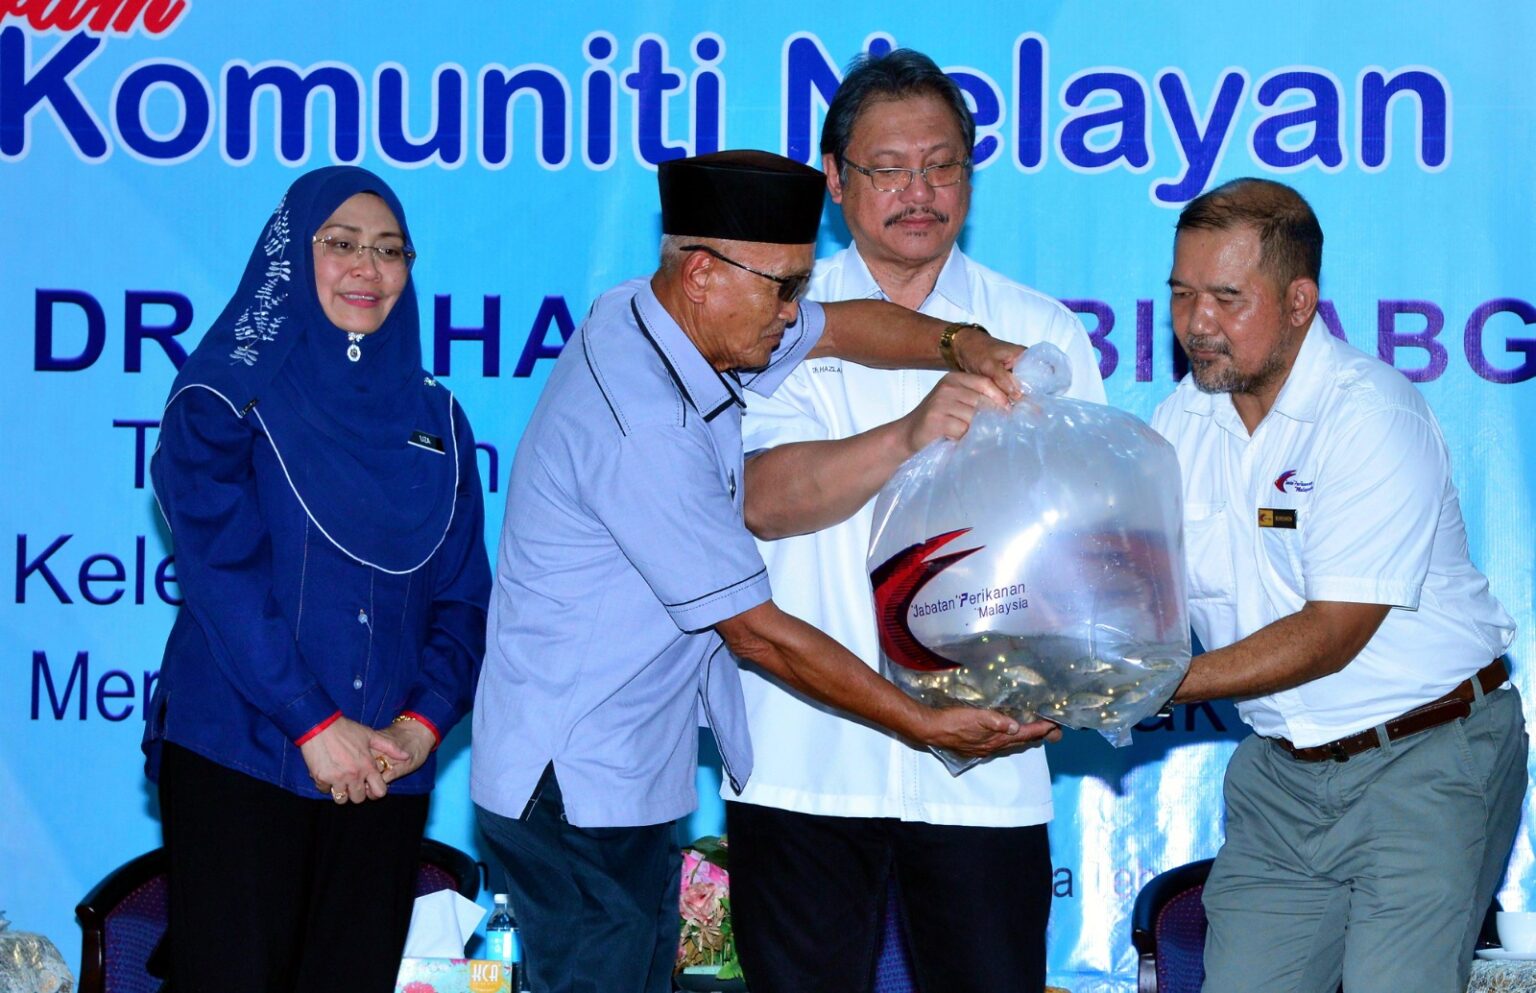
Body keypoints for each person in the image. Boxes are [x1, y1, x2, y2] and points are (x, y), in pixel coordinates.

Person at [470, 149, 1060, 993]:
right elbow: (758, 634)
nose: (794, 315)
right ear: (702, 274)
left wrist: (960, 344)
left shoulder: (655, 314)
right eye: (784, 290)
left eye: (799, 286)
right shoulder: (643, 421)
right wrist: (921, 722)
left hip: (625, 766)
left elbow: (844, 326)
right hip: (571, 781)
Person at [722, 49, 1104, 993]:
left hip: (987, 761)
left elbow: (1082, 540)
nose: (919, 192)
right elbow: (763, 499)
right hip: (803, 756)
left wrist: (1070, 676)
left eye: (941, 166)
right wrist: (910, 433)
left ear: (971, 175)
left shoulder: (1042, 335)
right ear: (835, 180)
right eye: (889, 169)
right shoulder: (772, 322)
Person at [1152, 177, 1525, 993]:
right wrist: (1051, 675)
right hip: (1281, 778)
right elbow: (1134, 599)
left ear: (1298, 301)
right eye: (1181, 294)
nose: (1197, 322)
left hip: (1426, 755)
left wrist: (1149, 685)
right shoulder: (1177, 424)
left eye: (1226, 298)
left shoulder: (1369, 412)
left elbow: (1331, 633)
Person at [144, 166, 492, 993]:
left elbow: (464, 601)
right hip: (243, 754)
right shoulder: (223, 399)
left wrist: (420, 727)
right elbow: (225, 577)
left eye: (390, 250)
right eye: (340, 244)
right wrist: (314, 723)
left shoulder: (439, 420)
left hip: (383, 772)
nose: (367, 268)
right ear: (291, 257)